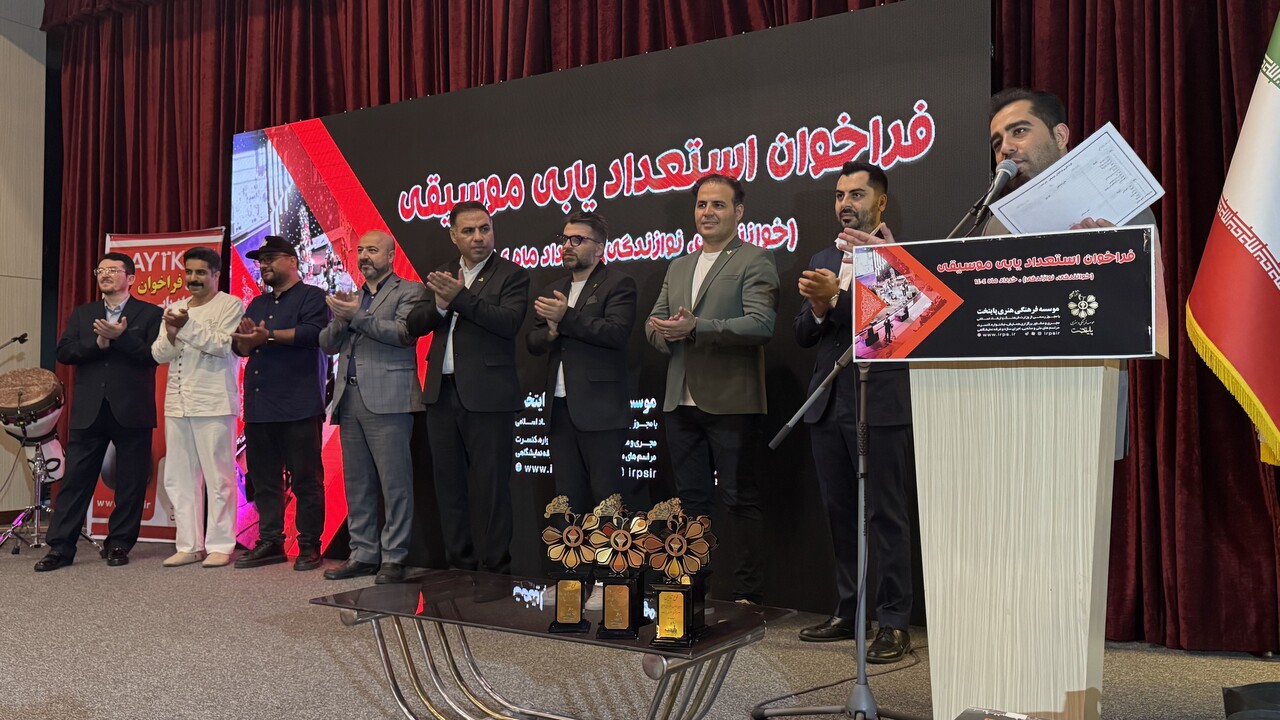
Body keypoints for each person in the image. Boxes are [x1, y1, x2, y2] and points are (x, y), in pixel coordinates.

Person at [987, 87, 1157, 459]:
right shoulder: (997, 224)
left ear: (1060, 135)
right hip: (1006, 400)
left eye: (1019, 131)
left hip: (1087, 393)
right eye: (997, 142)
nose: (1006, 148)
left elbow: (1145, 307)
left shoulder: (1121, 204)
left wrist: (1110, 259)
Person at [794, 162, 915, 663]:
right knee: (840, 512)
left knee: (886, 514)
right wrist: (819, 308)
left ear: (880, 202)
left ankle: (893, 621)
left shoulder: (899, 256)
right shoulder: (823, 258)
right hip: (828, 403)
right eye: (840, 195)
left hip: (879, 402)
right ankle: (851, 610)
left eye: (857, 194)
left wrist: (837, 299)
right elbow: (803, 334)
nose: (846, 203)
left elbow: (894, 327)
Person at [646, 173, 779, 604]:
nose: (707, 212)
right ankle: (693, 592)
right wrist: (664, 332)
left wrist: (697, 328)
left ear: (738, 212)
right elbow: (653, 322)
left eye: (718, 205)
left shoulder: (755, 259)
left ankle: (748, 595)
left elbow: (761, 324)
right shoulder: (678, 265)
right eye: (702, 204)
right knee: (691, 502)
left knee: (739, 499)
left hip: (732, 401)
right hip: (679, 401)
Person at [406, 201, 529, 575]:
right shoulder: (442, 273)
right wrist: (440, 306)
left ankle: (496, 569)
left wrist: (460, 298)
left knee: (492, 488)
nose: (478, 237)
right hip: (441, 394)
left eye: (485, 229)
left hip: (489, 396)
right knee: (449, 486)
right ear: (453, 235)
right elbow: (415, 323)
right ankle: (459, 566)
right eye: (469, 230)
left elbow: (507, 322)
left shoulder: (511, 274)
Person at [35, 253, 163, 571]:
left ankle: (119, 543)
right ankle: (60, 548)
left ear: (130, 278)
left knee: (131, 482)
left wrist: (121, 338)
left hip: (132, 409)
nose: (104, 274)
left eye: (112, 270)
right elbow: (64, 351)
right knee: (75, 480)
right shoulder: (84, 313)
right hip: (89, 409)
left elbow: (153, 356)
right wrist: (98, 344)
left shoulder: (150, 313)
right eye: (100, 270)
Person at [319, 230, 425, 584]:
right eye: (361, 250)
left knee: (395, 484)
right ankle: (363, 553)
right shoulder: (353, 295)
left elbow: (403, 334)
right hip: (349, 400)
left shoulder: (409, 291)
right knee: (357, 483)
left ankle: (394, 556)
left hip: (390, 400)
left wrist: (357, 316)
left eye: (373, 250)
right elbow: (326, 344)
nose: (364, 256)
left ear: (390, 256)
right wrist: (341, 317)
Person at [527, 211, 643, 513]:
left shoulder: (618, 284)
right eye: (565, 239)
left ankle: (608, 548)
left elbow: (616, 333)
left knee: (606, 498)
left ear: (600, 247)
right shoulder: (553, 290)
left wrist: (565, 317)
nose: (567, 246)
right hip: (559, 409)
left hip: (601, 410)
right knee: (567, 498)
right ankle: (571, 547)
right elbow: (532, 342)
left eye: (577, 239)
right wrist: (550, 333)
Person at [232, 235, 330, 571]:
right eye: (261, 261)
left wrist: (268, 336)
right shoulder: (257, 304)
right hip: (260, 405)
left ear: (292, 261)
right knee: (263, 479)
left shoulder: (313, 296)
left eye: (271, 258)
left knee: (306, 479)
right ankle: (270, 540)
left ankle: (309, 544)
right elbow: (241, 348)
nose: (264, 265)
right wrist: (245, 341)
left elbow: (313, 334)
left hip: (299, 404)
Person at [150, 246, 244, 568]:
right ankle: (189, 544)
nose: (193, 278)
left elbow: (223, 345)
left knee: (219, 477)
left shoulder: (230, 304)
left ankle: (221, 544)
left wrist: (185, 326)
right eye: (189, 272)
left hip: (213, 401)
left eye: (201, 272)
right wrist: (171, 332)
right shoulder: (175, 308)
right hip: (177, 403)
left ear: (215, 275)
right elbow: (159, 354)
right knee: (178, 477)